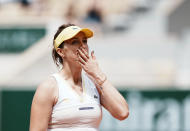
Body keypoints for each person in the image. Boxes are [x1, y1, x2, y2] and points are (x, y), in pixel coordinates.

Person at [30, 24, 129, 131]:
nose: (83, 46)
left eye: (85, 41)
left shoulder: (94, 83)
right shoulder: (49, 87)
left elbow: (122, 113)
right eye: (75, 42)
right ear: (61, 51)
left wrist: (98, 74)